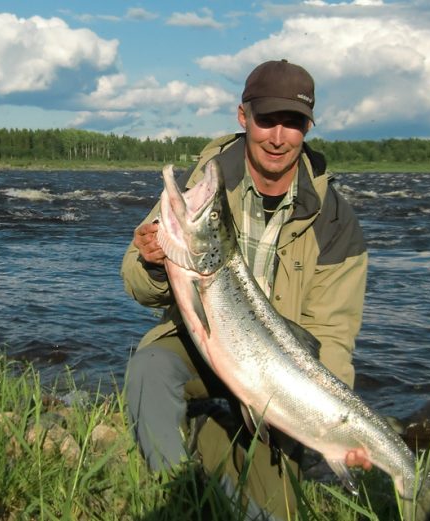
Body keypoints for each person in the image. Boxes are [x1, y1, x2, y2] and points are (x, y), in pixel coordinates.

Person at [121, 59, 368, 520]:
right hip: (200, 342)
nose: (278, 136)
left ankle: (210, 435)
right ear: (243, 117)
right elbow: (138, 286)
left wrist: (334, 421)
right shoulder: (202, 191)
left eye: (292, 123)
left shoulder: (336, 222)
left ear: (307, 128)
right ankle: (180, 497)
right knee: (150, 368)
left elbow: (331, 336)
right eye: (266, 120)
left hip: (274, 370)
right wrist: (154, 265)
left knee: (272, 514)